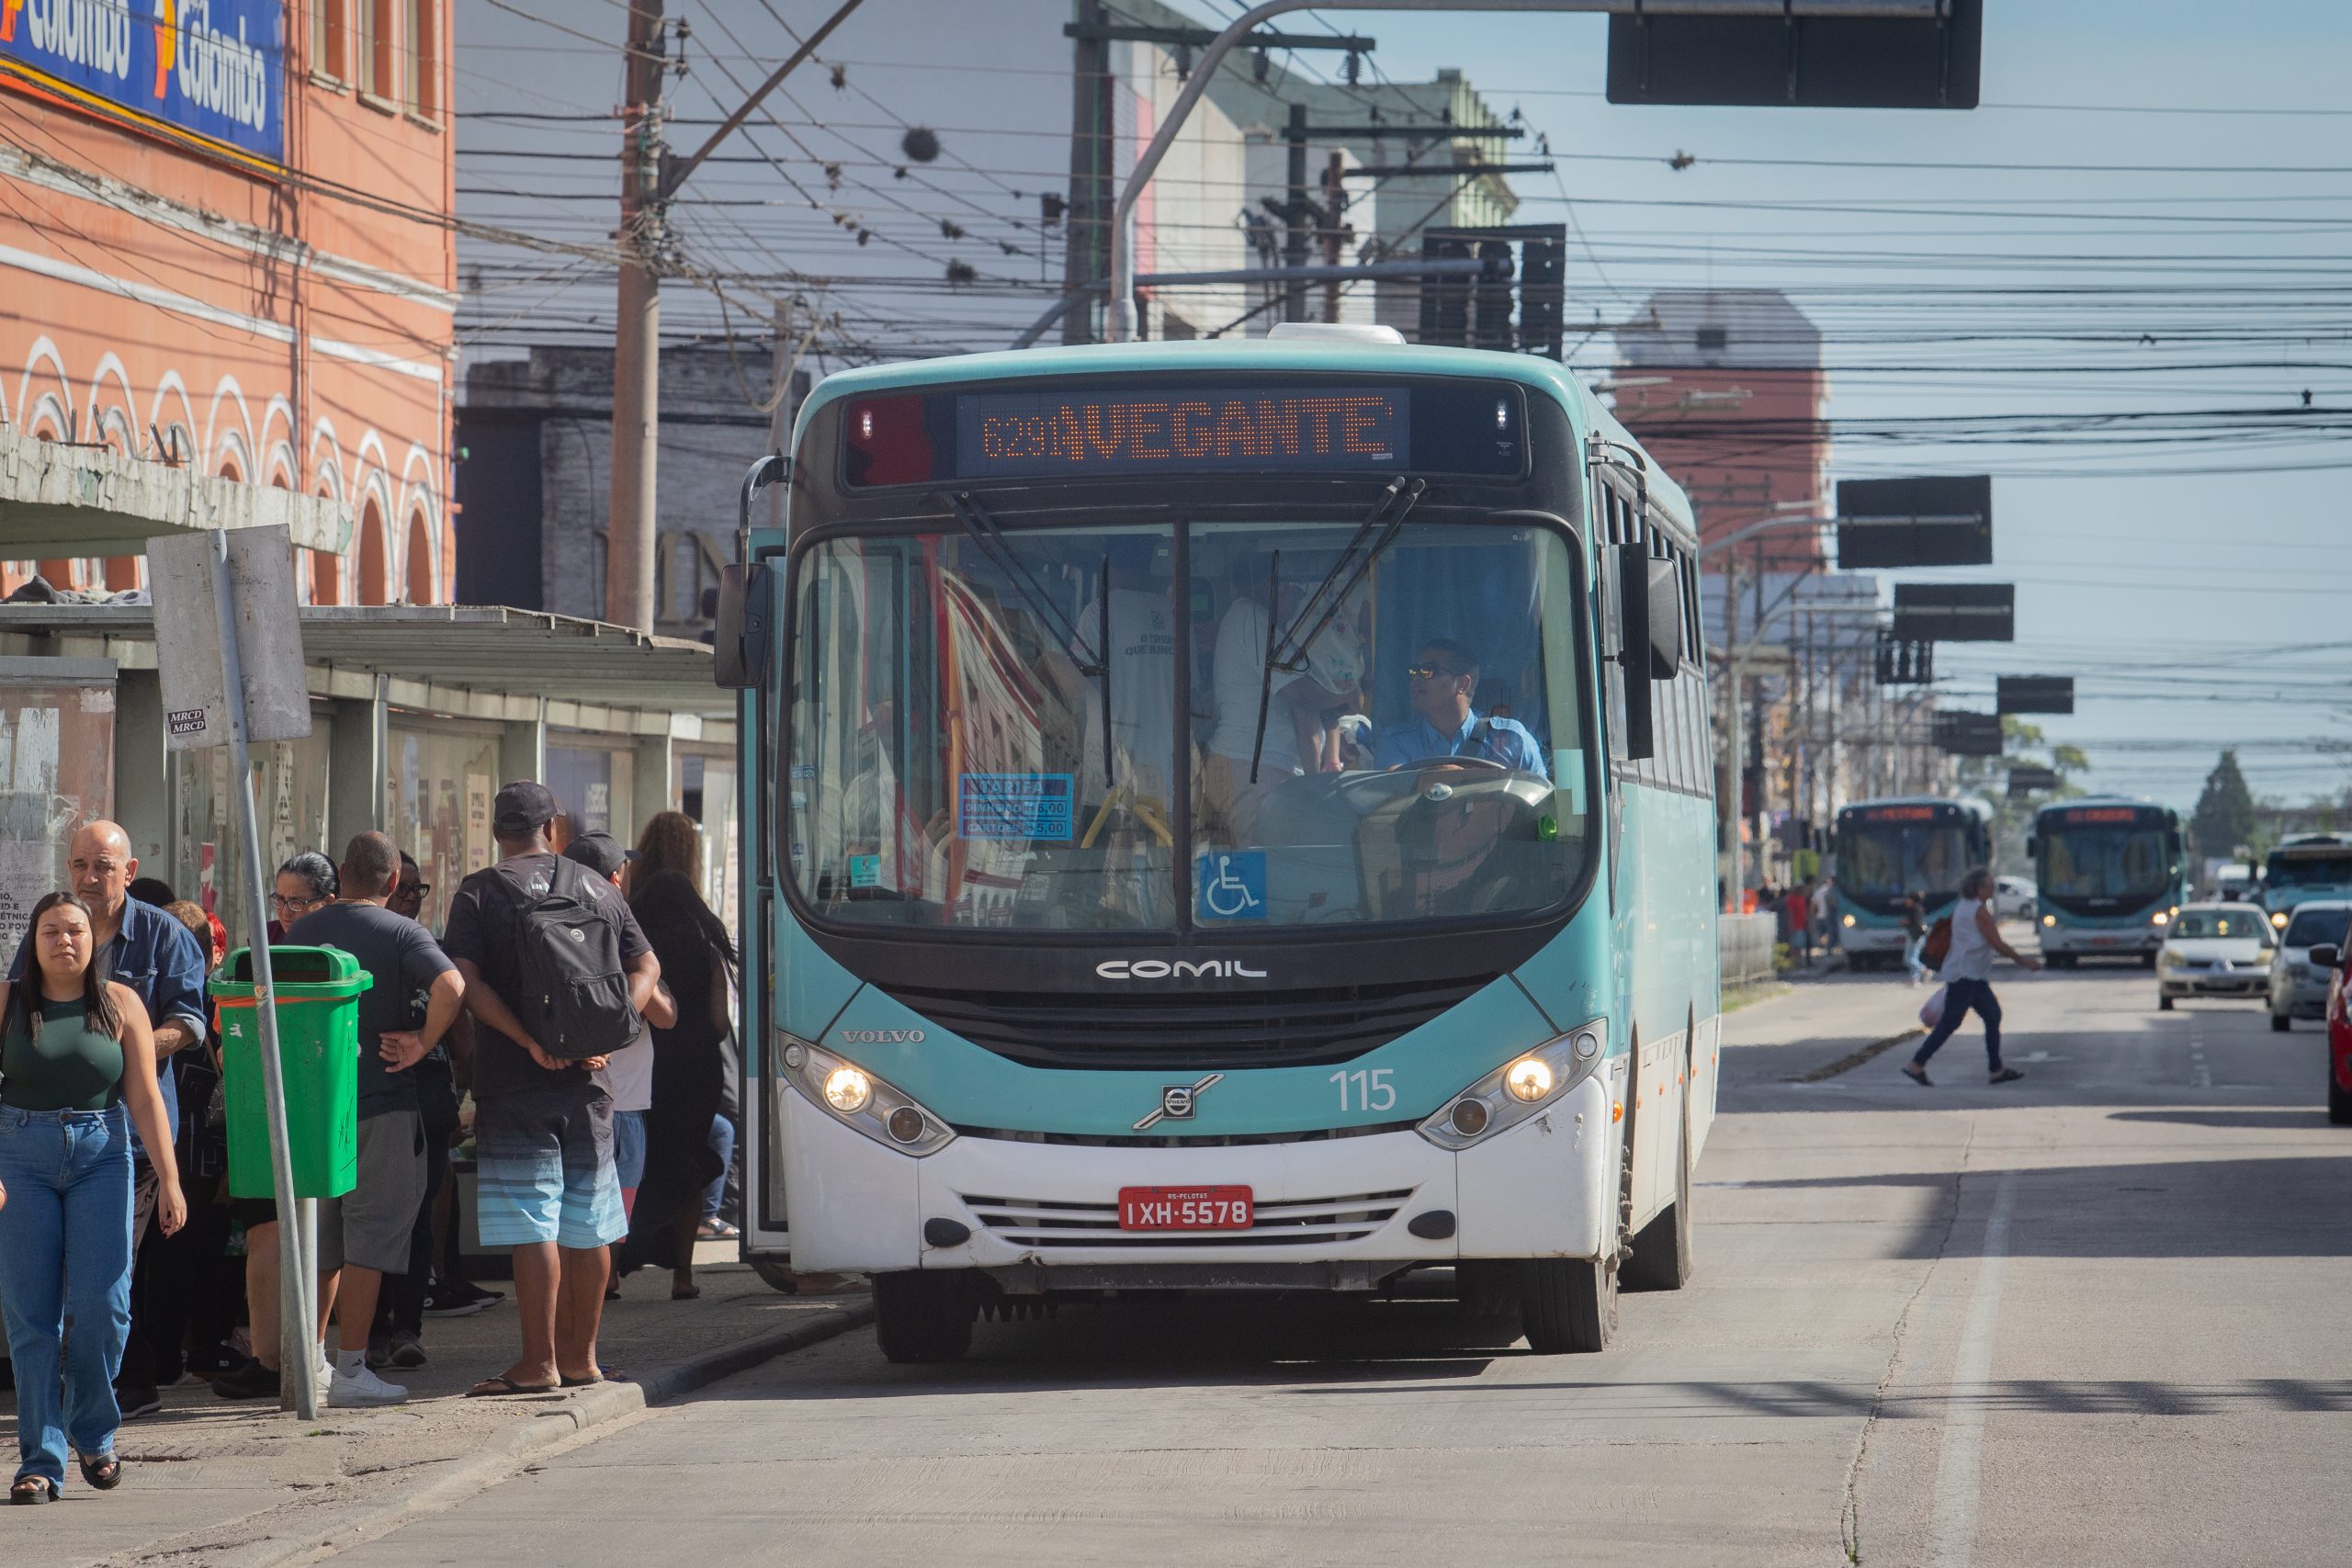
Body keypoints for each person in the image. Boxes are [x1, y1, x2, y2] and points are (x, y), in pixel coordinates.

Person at [443, 783, 661, 1395]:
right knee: (589, 1220)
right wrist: (615, 1028)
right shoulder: (596, 885)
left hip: (514, 1083)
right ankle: (583, 1359)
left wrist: (527, 1040)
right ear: (553, 826)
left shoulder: (481, 891)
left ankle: (537, 1362)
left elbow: (465, 980)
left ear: (497, 832)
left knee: (531, 1221)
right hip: (590, 1081)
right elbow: (648, 966)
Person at [7, 822, 207, 1423]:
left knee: (108, 1278)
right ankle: (80, 1404)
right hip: (37, 1135)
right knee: (54, 1283)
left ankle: (127, 1381)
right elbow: (21, 1008)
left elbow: (192, 1023)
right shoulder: (53, 930)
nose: (90, 878)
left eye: (102, 866)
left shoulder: (164, 935)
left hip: (128, 1137)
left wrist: (130, 1047)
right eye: (79, 866)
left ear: (129, 867)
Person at [0, 892, 188, 1503]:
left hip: (102, 1155)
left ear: (92, 941)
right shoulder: (7, 1003)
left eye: (76, 931)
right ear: (33, 941)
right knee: (32, 1317)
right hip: (20, 1157)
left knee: (105, 1306)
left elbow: (146, 1097)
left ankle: (93, 1429)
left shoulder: (121, 1003)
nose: (65, 942)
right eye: (52, 931)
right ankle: (40, 1459)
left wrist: (171, 1179)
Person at [269, 832, 464, 1407]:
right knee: (372, 1241)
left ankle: (306, 1364)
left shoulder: (298, 931)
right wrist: (424, 1043)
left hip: (310, 1111)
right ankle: (352, 1366)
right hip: (382, 1102)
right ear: (394, 882)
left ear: (343, 874)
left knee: (320, 1244)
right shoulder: (403, 931)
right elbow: (452, 985)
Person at [616, 870, 734, 1302]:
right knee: (687, 1166)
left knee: (632, 1166)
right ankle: (683, 1276)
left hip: (646, 1068)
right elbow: (721, 1023)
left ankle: (610, 1273)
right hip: (697, 1070)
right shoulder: (706, 952)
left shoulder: (634, 951)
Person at [1905, 867, 2041, 1088]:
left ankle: (1996, 1070)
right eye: (1989, 885)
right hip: (1965, 975)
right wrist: (2024, 961)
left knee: (1992, 1015)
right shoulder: (1978, 910)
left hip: (1971, 974)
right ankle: (1917, 1064)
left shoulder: (1965, 906)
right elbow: (1996, 943)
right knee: (1950, 1022)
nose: (1993, 888)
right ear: (1978, 888)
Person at [1373, 639, 1547, 776]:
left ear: (1462, 684)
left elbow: (1541, 799)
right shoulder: (1396, 741)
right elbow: (1392, 792)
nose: (1417, 678)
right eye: (1414, 671)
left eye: (1428, 671)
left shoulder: (1512, 738)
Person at [1899, 891, 1930, 985]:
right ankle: (1914, 980)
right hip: (1916, 936)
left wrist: (1905, 922)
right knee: (1914, 958)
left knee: (1909, 959)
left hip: (1916, 937)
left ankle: (1925, 971)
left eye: (1907, 899)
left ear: (1911, 900)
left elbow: (1914, 921)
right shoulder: (1917, 908)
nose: (1906, 901)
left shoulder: (1915, 909)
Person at [1785, 881, 1814, 966]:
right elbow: (1790, 913)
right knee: (1796, 946)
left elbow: (1805, 912)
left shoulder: (1802, 898)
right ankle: (1796, 963)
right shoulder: (1791, 898)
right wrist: (1791, 925)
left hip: (1802, 925)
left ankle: (1799, 962)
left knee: (1800, 945)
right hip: (1796, 926)